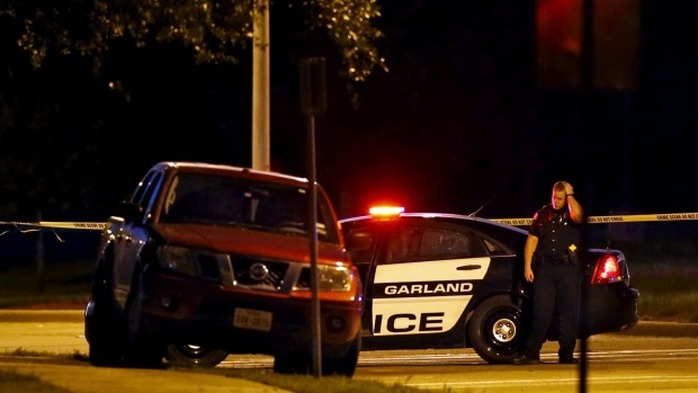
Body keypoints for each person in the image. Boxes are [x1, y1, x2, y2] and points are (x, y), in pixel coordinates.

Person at [513, 180, 585, 365]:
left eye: (560, 198)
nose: (557, 201)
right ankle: (531, 353)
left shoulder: (571, 212)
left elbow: (578, 215)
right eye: (555, 197)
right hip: (545, 269)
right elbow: (532, 240)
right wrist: (527, 265)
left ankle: (566, 353)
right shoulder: (542, 214)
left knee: (567, 311)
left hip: (567, 268)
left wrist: (570, 195)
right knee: (541, 311)